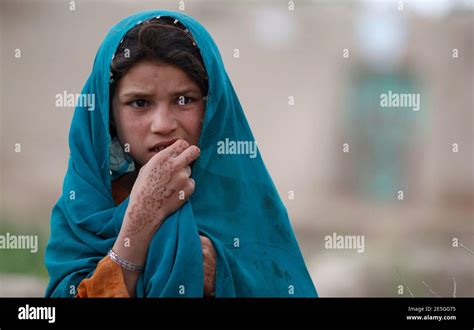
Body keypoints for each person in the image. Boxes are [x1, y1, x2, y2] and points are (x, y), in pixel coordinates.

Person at [45, 10, 317, 298]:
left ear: (213, 107)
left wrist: (224, 276)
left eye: (184, 100)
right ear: (109, 114)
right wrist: (136, 230)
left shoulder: (247, 206)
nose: (163, 125)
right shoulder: (83, 207)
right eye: (139, 103)